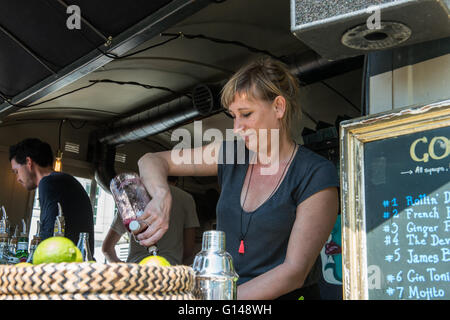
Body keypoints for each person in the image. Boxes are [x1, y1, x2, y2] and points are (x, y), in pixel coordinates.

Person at [135, 56, 339, 300]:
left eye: (246, 114)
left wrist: (218, 300)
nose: (237, 127)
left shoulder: (316, 173)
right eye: (233, 115)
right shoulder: (231, 154)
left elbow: (294, 272)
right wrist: (161, 195)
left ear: (279, 107)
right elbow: (150, 160)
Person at [9, 138, 95, 253]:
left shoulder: (49, 182)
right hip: (77, 263)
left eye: (16, 171)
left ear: (29, 162)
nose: (18, 178)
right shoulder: (63, 180)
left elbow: (48, 237)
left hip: (65, 266)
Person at [102, 176, 199, 265]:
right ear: (176, 179)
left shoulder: (132, 198)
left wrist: (122, 269)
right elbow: (189, 249)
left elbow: (107, 249)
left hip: (136, 273)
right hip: (170, 273)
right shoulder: (186, 199)